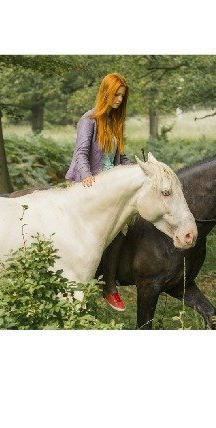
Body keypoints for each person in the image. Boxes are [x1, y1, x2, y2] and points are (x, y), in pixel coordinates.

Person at [65, 72, 131, 311]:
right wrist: (87, 177)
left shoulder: (115, 123)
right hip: (90, 184)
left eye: (122, 96)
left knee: (121, 226)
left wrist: (137, 171)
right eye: (116, 95)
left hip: (111, 187)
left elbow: (120, 158)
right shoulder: (89, 120)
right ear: (106, 93)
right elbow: (81, 153)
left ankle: (110, 286)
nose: (120, 100)